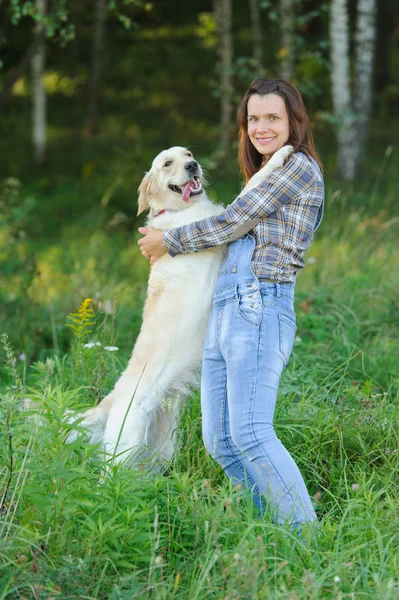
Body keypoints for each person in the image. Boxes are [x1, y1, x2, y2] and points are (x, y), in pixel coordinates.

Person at [138, 78, 324, 532]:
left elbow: (235, 221)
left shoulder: (296, 166)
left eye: (273, 118)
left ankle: (307, 540)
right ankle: (273, 532)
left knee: (251, 434)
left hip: (259, 304)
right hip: (228, 309)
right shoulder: (264, 171)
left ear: (294, 121)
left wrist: (169, 240)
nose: (261, 127)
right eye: (253, 118)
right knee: (220, 441)